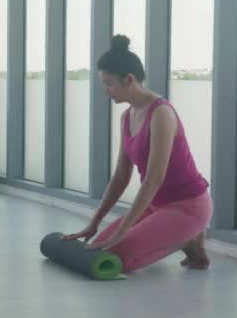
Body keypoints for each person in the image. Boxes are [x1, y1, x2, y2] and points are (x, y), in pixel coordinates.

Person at [64, 35, 213, 272]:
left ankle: (188, 236)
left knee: (115, 255)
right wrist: (94, 224)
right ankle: (186, 239)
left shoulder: (161, 113)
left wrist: (124, 231)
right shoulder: (127, 117)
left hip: (187, 206)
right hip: (155, 205)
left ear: (129, 79)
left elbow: (155, 177)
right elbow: (121, 177)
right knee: (99, 247)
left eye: (109, 83)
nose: (106, 91)